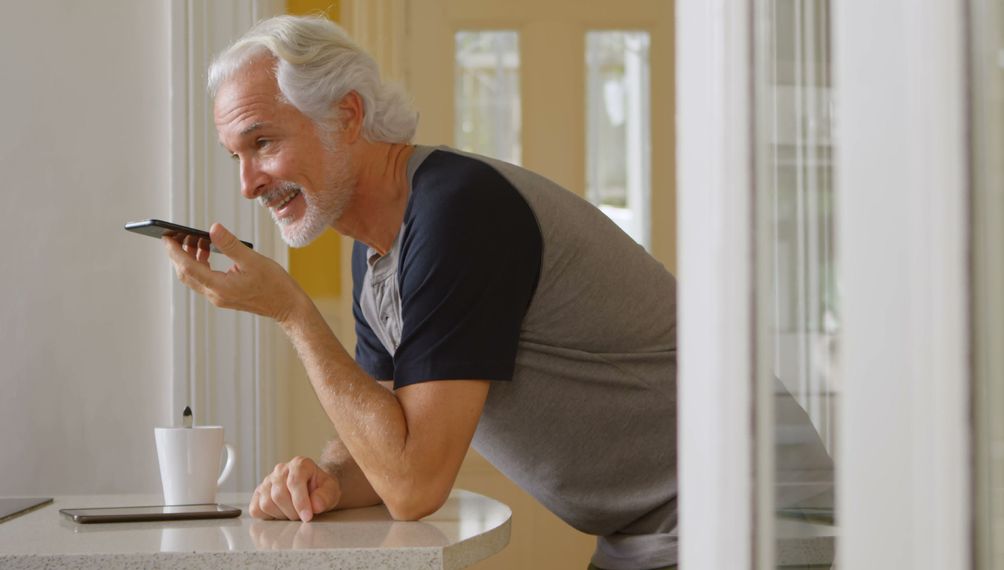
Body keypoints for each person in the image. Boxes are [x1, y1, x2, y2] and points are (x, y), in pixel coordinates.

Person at [164, 15, 677, 570]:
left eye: (262, 142)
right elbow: (385, 444)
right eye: (235, 156)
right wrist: (329, 481)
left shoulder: (458, 214)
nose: (248, 184)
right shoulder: (379, 246)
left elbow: (412, 485)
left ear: (347, 114)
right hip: (648, 537)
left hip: (743, 509)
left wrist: (291, 311)